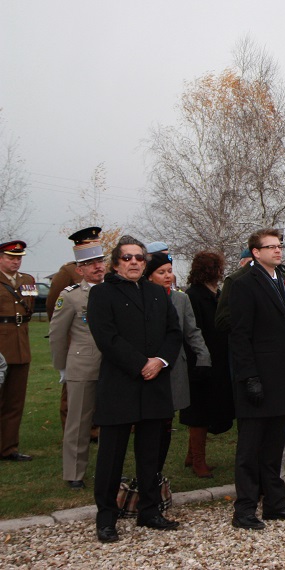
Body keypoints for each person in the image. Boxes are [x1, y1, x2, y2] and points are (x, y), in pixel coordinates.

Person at [88, 235, 181, 542]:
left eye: (139, 258)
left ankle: (150, 510)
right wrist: (140, 363)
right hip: (121, 384)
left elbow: (173, 332)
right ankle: (106, 517)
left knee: (150, 453)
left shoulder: (157, 293)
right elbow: (106, 336)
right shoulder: (102, 294)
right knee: (111, 455)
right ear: (116, 263)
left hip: (154, 383)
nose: (134, 263)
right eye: (127, 258)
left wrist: (160, 361)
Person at [228, 229, 285, 530]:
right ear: (255, 252)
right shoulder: (244, 285)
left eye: (279, 246)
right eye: (270, 247)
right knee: (250, 449)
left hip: (284, 378)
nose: (277, 251)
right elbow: (240, 336)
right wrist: (250, 377)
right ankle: (245, 509)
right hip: (258, 379)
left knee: (274, 447)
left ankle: (275, 503)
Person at [144, 253, 212, 478]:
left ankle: (158, 470)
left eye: (169, 271)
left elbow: (192, 331)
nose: (167, 276)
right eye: (161, 272)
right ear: (149, 275)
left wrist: (203, 357)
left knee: (167, 417)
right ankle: (150, 469)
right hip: (148, 368)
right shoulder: (141, 298)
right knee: (152, 419)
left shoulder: (181, 299)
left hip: (175, 366)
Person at [49, 228, 106, 488]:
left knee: (111, 421)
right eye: (90, 264)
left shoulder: (114, 291)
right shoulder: (70, 296)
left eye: (100, 262)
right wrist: (61, 367)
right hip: (82, 365)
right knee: (78, 422)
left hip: (112, 366)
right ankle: (74, 473)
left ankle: (108, 470)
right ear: (80, 269)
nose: (97, 267)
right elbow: (57, 335)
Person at [181, 251, 233, 478]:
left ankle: (192, 454)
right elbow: (194, 330)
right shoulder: (193, 295)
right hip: (200, 361)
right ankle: (197, 460)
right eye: (218, 268)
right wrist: (202, 359)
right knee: (199, 412)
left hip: (220, 359)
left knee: (211, 407)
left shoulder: (217, 293)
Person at [0, 240, 36, 462]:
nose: (15, 262)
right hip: (1, 346)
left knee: (15, 401)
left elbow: (30, 308)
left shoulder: (28, 281)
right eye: (11, 258)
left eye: (18, 258)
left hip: (21, 345)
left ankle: (9, 448)